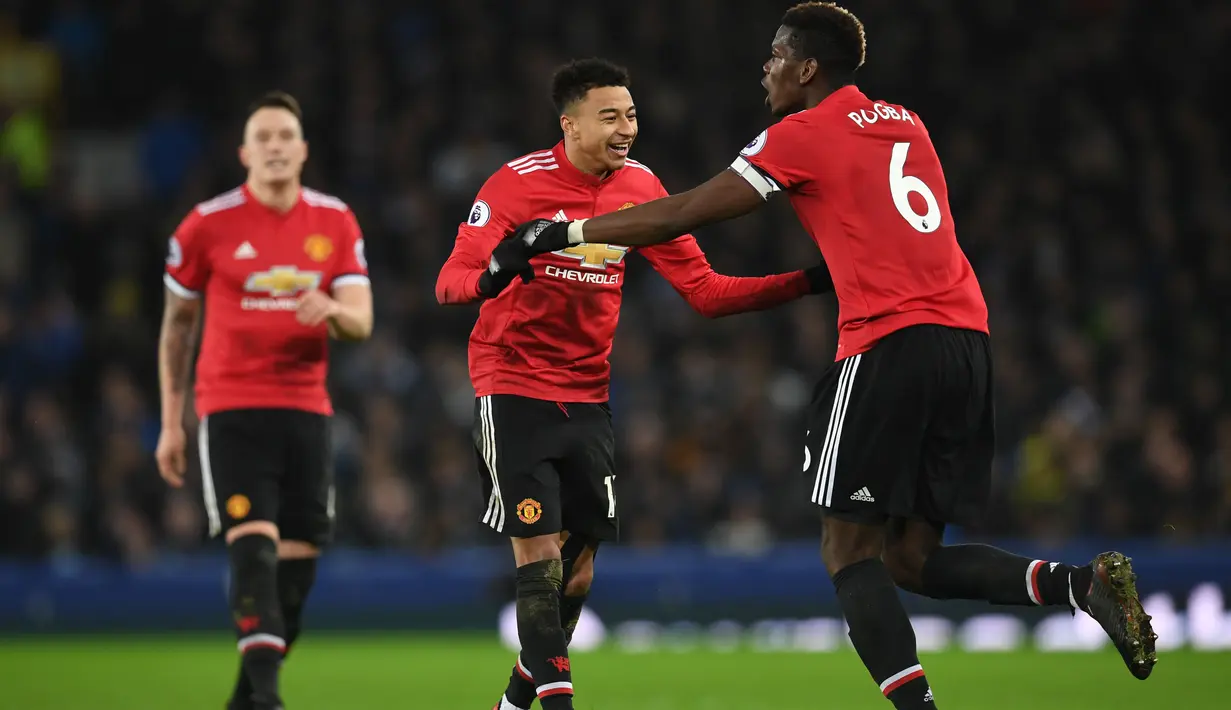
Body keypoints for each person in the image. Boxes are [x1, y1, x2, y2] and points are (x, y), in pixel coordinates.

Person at [500, 5, 1158, 708]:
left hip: (888, 344)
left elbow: (684, 211)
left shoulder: (802, 133)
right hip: (967, 343)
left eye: (776, 55)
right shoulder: (907, 121)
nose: (765, 68)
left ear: (806, 67)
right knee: (912, 559)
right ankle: (1079, 586)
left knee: (847, 554)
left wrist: (565, 231)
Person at [436, 58, 830, 710]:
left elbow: (706, 293)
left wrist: (811, 280)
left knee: (579, 571)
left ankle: (510, 706)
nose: (626, 128)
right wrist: (491, 276)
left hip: (589, 395)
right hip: (511, 385)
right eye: (610, 116)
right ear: (570, 124)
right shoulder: (513, 185)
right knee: (539, 562)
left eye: (632, 115)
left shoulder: (641, 186)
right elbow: (449, 280)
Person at [155, 91, 373, 710]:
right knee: (253, 552)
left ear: (303, 150)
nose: (276, 146)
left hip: (307, 411)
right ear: (244, 152)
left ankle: (242, 703)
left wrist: (332, 309)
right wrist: (172, 423)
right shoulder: (206, 225)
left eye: (286, 136)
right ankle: (270, 702)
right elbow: (176, 328)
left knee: (296, 576)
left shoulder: (335, 222)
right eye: (264, 137)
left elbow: (362, 320)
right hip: (232, 409)